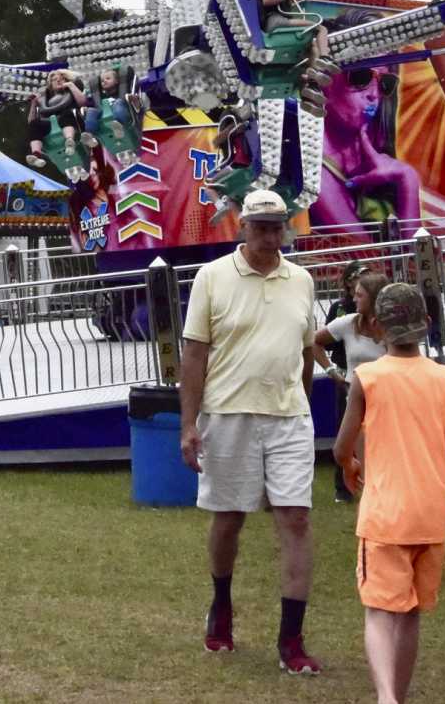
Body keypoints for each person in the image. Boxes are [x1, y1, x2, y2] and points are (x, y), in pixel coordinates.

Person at [178, 187, 322, 676]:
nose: (269, 234)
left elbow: (305, 353)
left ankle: (292, 640)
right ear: (241, 226)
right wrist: (188, 424)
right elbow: (194, 355)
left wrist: (300, 402)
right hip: (228, 414)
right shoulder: (212, 277)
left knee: (296, 521)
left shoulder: (301, 280)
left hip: (288, 417)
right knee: (228, 518)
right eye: (260, 226)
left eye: (276, 225)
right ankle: (221, 604)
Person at [333, 284, 445, 704]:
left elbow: (341, 446)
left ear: (377, 327)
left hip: (386, 514)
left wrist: (350, 465)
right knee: (409, 614)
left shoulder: (367, 378)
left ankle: (387, 697)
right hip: (431, 515)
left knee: (378, 612)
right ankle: (398, 697)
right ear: (426, 324)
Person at [314, 271, 390, 503]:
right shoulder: (348, 323)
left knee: (392, 460)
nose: (353, 299)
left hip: (390, 400)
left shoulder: (392, 325)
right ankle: (373, 510)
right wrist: (331, 371)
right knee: (365, 460)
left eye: (360, 295)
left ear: (375, 298)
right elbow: (314, 342)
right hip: (358, 402)